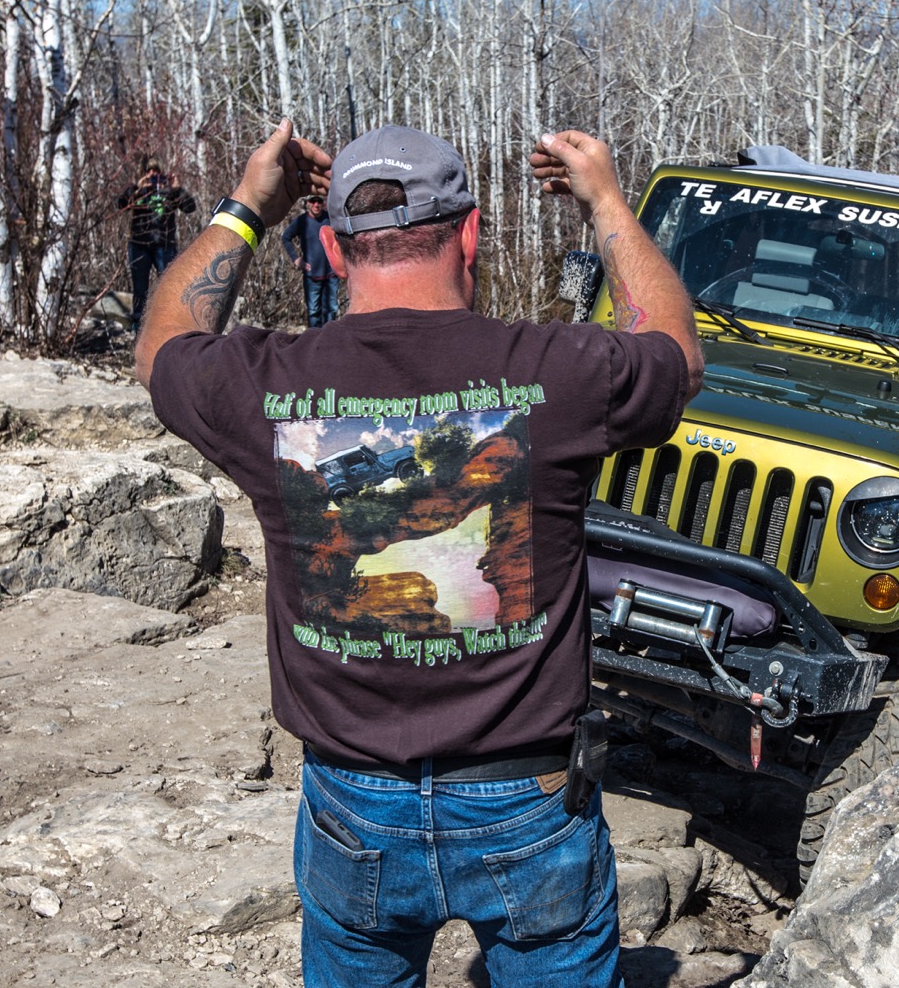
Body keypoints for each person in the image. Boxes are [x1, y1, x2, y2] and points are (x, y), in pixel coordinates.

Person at [134, 119, 703, 987]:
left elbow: (162, 346)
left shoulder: (263, 385)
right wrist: (608, 203)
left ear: (329, 248)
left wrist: (250, 204)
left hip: (351, 801)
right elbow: (676, 352)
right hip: (530, 795)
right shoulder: (561, 370)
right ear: (471, 231)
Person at [117, 157, 197, 329]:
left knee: (169, 285)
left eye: (156, 171)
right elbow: (121, 204)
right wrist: (137, 188)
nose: (152, 175)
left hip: (164, 244)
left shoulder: (169, 194)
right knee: (140, 288)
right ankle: (138, 325)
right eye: (148, 171)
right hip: (139, 245)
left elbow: (190, 207)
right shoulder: (137, 192)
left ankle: (169, 323)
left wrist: (177, 189)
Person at [282, 194, 338, 326]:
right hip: (312, 275)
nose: (316, 205)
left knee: (331, 310)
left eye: (319, 202)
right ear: (307, 203)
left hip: (331, 274)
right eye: (313, 201)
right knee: (313, 312)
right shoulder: (302, 221)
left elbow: (342, 237)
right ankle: (315, 343)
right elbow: (286, 238)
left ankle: (329, 342)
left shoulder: (330, 218)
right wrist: (296, 259)